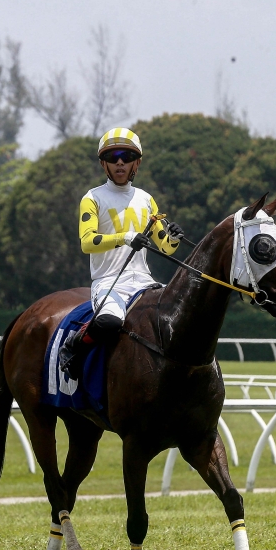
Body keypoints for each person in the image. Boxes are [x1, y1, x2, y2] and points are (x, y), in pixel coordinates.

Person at [58, 128, 184, 378]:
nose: (119, 162)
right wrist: (124, 237)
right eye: (113, 156)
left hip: (145, 282)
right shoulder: (92, 198)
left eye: (126, 156)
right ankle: (74, 345)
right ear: (103, 163)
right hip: (109, 282)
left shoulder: (147, 200)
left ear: (136, 163)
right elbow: (87, 242)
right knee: (110, 322)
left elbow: (165, 247)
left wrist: (174, 238)